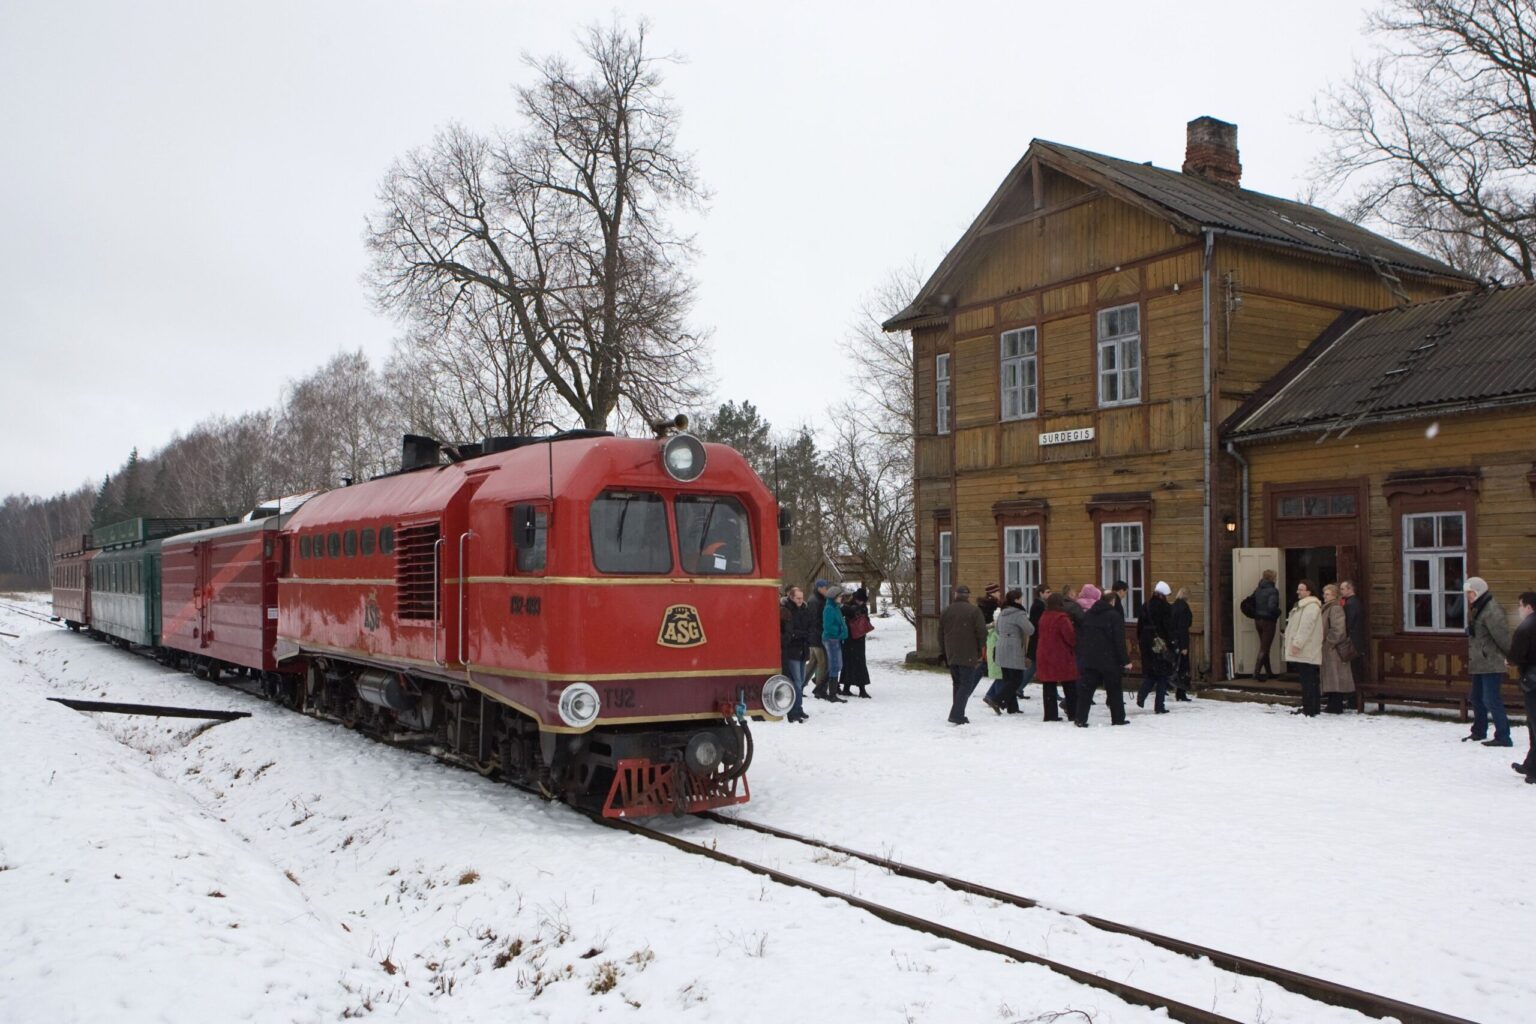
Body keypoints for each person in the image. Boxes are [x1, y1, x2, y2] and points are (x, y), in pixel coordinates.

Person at [1464, 576, 1512, 746]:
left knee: (1491, 699)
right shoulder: (1479, 608)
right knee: (1476, 698)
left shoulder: (1491, 610)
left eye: (1470, 593)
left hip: (1491, 662)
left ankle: (1503, 736)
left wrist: (1511, 656)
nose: (1468, 596)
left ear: (1478, 592)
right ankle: (1479, 730)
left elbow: (1502, 636)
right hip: (1479, 662)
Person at [1075, 588, 1130, 726]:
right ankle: (1118, 718)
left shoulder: (1089, 614)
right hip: (1109, 660)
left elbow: (1082, 636)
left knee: (1086, 691)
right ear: (1112, 601)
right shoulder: (1114, 616)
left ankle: (1080, 718)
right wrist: (1125, 660)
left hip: (1090, 658)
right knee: (1114, 690)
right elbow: (1119, 641)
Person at [939, 584, 988, 725]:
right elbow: (981, 633)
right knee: (966, 684)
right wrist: (980, 650)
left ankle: (958, 712)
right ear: (968, 596)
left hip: (952, 653)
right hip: (968, 652)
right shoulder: (974, 611)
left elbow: (940, 634)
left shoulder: (946, 611)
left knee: (957, 684)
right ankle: (957, 713)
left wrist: (944, 652)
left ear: (955, 595)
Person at [1283, 578, 1324, 717]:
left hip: (1306, 649)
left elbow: (1305, 627)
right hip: (1305, 649)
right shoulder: (1303, 606)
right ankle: (1311, 707)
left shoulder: (1311, 607)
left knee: (1309, 680)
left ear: (1309, 591)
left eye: (1301, 589)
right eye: (1298, 589)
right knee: (1308, 680)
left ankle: (1310, 708)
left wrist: (1297, 644)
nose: (1298, 592)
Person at [1034, 592, 1077, 722]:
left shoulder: (1043, 616)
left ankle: (1050, 714)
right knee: (1069, 685)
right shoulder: (1062, 618)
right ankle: (1073, 713)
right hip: (1061, 655)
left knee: (1048, 685)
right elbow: (1070, 637)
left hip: (1044, 653)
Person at [1508, 591, 1536, 784]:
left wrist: (1509, 661)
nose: (1518, 609)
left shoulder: (1526, 627)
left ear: (1528, 606)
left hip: (1533, 681)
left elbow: (1516, 655)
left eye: (1520, 605)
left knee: (1534, 724)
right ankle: (1531, 764)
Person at [1136, 581, 1176, 714]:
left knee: (1151, 672)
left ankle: (1142, 695)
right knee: (1162, 675)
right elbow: (1168, 628)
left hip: (1146, 642)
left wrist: (1141, 641)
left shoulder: (1145, 606)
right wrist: (1171, 643)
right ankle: (1159, 706)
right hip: (1160, 643)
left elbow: (1139, 626)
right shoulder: (1165, 608)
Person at [778, 586, 816, 723]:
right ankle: (793, 711)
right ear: (792, 597)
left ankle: (798, 708)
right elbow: (791, 631)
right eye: (798, 598)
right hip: (792, 650)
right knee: (797, 681)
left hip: (802, 649)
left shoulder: (804, 610)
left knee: (799, 681)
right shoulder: (787, 611)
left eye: (802, 598)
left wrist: (804, 635)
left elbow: (810, 627)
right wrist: (801, 634)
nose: (801, 600)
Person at [993, 589, 1034, 714]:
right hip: (1014, 646)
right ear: (1016, 599)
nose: (1022, 600)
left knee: (1007, 677)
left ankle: (1012, 707)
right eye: (1021, 598)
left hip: (1001, 644)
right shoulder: (1019, 613)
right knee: (1017, 678)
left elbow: (997, 629)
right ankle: (997, 699)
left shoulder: (1003, 612)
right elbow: (1030, 629)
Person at [1320, 583, 1355, 714]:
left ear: (1334, 595)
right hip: (1329, 648)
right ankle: (1332, 703)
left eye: (1327, 594)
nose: (1324, 596)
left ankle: (1336, 705)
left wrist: (1329, 643)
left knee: (1335, 676)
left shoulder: (1335, 608)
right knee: (1331, 675)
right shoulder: (1327, 607)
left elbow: (1339, 629)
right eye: (1324, 593)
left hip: (1333, 649)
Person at [840, 587, 873, 698]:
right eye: (859, 600)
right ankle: (849, 688)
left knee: (858, 663)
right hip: (851, 639)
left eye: (862, 600)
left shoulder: (860, 607)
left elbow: (866, 619)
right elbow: (842, 615)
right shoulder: (848, 607)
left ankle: (858, 689)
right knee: (850, 663)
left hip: (857, 638)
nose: (861, 602)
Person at [821, 584, 850, 704]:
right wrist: (839, 632)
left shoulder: (836, 607)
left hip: (836, 639)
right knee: (835, 666)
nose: (841, 598)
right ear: (834, 597)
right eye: (839, 596)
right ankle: (832, 694)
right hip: (831, 639)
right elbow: (828, 627)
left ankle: (820, 689)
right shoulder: (829, 608)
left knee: (837, 666)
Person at [1252, 570, 1282, 681]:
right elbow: (1271, 607)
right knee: (1264, 648)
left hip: (1258, 620)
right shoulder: (1273, 591)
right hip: (1268, 621)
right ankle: (1256, 672)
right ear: (1273, 578)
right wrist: (1279, 612)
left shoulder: (1258, 590)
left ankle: (1269, 672)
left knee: (1265, 647)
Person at [1339, 579, 1369, 689]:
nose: (1341, 591)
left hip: (1352, 642)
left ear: (1350, 589)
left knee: (1353, 671)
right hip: (1357, 641)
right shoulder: (1355, 602)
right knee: (1356, 670)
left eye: (1342, 589)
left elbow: (1349, 623)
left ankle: (1353, 698)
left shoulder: (1351, 603)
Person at [807, 579, 832, 699]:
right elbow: (814, 621)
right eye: (826, 587)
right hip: (817, 637)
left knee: (813, 663)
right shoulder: (815, 601)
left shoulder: (819, 599)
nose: (827, 589)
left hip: (816, 636)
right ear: (820, 588)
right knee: (822, 663)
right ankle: (819, 689)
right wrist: (822, 633)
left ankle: (800, 685)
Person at [1171, 586, 1193, 701]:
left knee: (1176, 666)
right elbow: (1183, 628)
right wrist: (1184, 646)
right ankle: (1181, 692)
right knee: (1183, 667)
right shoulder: (1184, 609)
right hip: (1181, 640)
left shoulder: (1174, 606)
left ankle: (1178, 692)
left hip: (1174, 640)